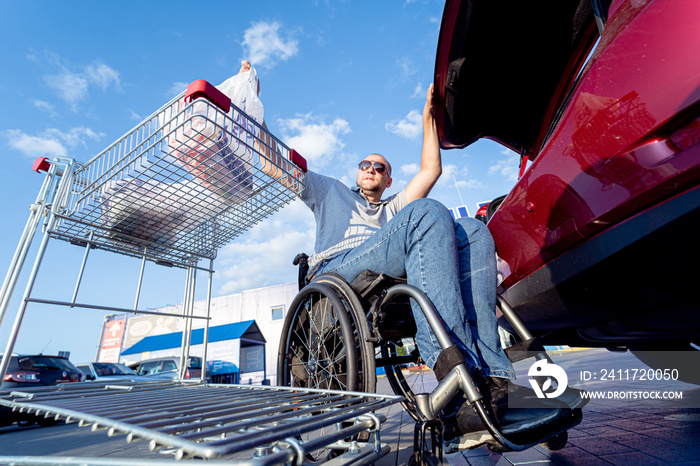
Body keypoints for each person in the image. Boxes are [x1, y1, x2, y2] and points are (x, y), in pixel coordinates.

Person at [248, 62, 578, 449]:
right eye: (365, 165)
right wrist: (253, 108)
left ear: (389, 179)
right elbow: (278, 163)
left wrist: (428, 120)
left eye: (380, 167)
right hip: (340, 272)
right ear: (357, 174)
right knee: (428, 212)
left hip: (393, 265)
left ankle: (493, 380)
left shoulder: (395, 209)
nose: (371, 169)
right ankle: (453, 372)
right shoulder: (329, 192)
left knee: (472, 230)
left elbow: (431, 169)